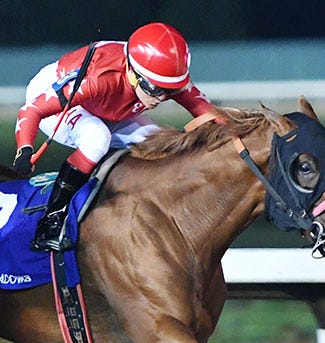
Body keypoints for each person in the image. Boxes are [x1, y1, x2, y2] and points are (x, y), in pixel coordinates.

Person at [12, 22, 218, 252]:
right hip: (61, 99)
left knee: (158, 142)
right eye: (155, 89)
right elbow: (32, 110)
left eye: (169, 90)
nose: (161, 98)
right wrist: (25, 149)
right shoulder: (99, 80)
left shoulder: (162, 73)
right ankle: (49, 224)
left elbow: (210, 114)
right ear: (134, 73)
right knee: (97, 138)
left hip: (110, 104)